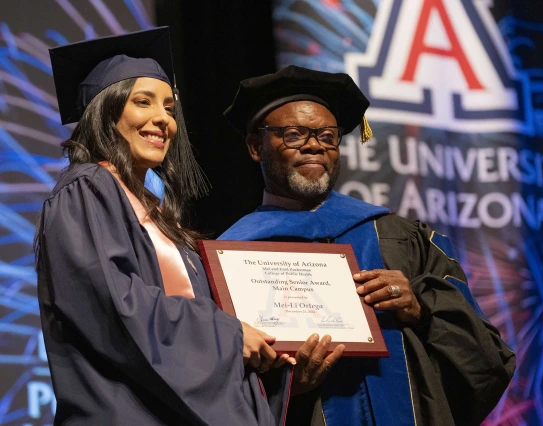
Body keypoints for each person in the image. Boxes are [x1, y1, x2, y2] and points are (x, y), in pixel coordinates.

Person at [220, 65, 516, 426]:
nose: (315, 145)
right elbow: (212, 383)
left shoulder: (401, 237)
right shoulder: (232, 254)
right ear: (255, 146)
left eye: (328, 136)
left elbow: (487, 359)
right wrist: (284, 389)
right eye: (294, 134)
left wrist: (422, 311)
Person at [36, 28, 292, 425]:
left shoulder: (157, 215)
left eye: (170, 108)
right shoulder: (87, 188)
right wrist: (228, 335)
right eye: (144, 102)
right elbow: (113, 304)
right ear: (106, 110)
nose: (163, 119)